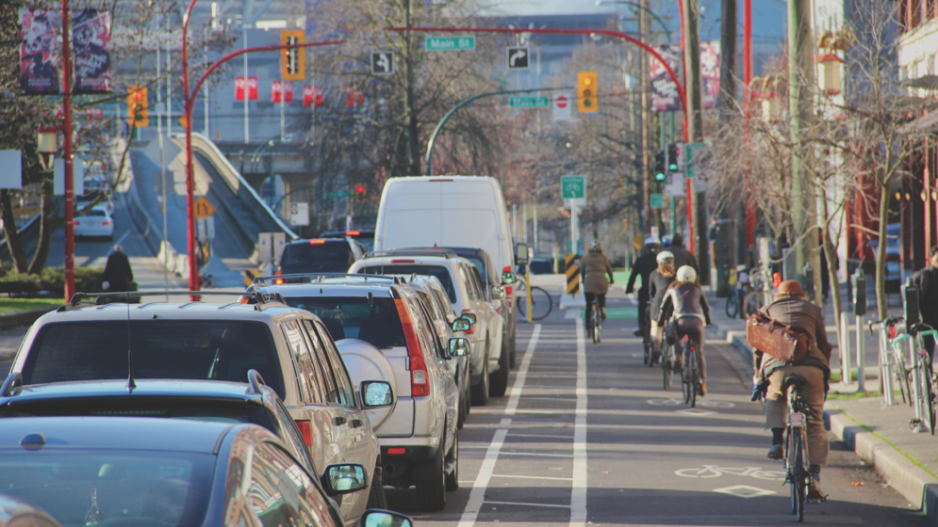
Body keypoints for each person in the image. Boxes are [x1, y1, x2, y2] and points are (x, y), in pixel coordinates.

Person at [751, 280, 832, 501]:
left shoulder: (767, 310)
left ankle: (777, 441)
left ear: (779, 296)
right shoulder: (813, 310)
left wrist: (759, 377)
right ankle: (814, 477)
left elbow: (758, 347)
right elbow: (824, 344)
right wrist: (826, 371)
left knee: (775, 396)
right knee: (814, 420)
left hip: (778, 366)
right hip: (811, 367)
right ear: (801, 295)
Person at [657, 265, 711, 395]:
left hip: (681, 320)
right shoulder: (698, 289)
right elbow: (705, 307)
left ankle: (679, 357)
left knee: (677, 336)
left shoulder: (673, 288)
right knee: (700, 352)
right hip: (697, 322)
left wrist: (660, 321)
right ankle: (702, 383)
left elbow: (664, 308)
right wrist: (708, 321)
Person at [626, 238, 661, 337]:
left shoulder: (640, 260)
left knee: (642, 307)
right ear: (658, 248)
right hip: (659, 291)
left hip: (645, 291)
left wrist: (629, 289)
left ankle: (641, 326)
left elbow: (632, 277)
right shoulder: (660, 261)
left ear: (646, 249)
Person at [910, 246, 938, 360]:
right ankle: (928, 375)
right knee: (927, 352)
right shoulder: (924, 276)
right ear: (930, 259)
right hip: (927, 320)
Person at [648, 250, 676, 362]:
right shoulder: (677, 274)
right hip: (673, 302)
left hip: (658, 302)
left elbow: (651, 292)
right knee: (673, 324)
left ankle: (657, 347)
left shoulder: (654, 274)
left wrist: (652, 301)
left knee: (655, 326)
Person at [580, 239, 614, 330]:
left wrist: (583, 280)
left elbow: (582, 271)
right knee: (601, 296)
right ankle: (602, 309)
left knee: (589, 305)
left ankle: (588, 327)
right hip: (602, 281)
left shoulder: (585, 258)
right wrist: (612, 280)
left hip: (589, 283)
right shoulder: (603, 258)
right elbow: (609, 271)